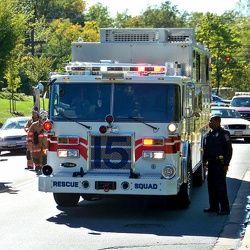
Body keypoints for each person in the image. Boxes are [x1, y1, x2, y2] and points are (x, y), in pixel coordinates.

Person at [203, 115, 233, 215]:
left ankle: (225, 208)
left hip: (219, 164)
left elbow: (228, 150)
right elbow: (207, 150)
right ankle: (214, 206)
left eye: (211, 121)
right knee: (211, 186)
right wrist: (204, 161)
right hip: (211, 163)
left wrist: (226, 164)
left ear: (216, 122)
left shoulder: (224, 134)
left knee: (220, 187)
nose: (209, 122)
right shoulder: (210, 134)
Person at [27, 110, 48, 175]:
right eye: (43, 119)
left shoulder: (49, 125)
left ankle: (43, 167)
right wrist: (30, 141)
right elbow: (30, 134)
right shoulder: (34, 125)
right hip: (36, 144)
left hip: (45, 145)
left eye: (45, 119)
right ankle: (37, 166)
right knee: (35, 156)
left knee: (44, 156)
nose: (44, 120)